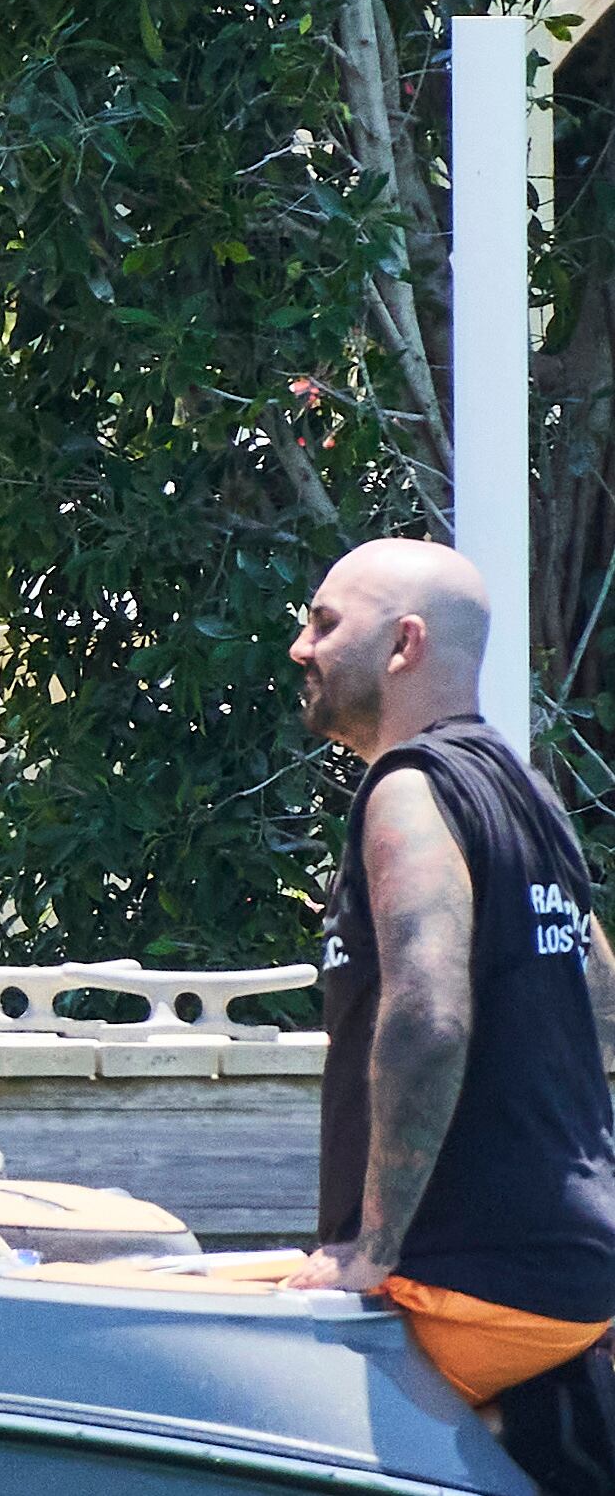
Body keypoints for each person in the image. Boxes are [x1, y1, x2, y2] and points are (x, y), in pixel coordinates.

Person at [282, 539, 615, 1467]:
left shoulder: (410, 790)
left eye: (325, 623)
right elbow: (599, 997)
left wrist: (372, 1251)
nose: (301, 648)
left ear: (404, 645)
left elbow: (428, 1014)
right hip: (568, 1280)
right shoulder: (528, 795)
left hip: (462, 1288)